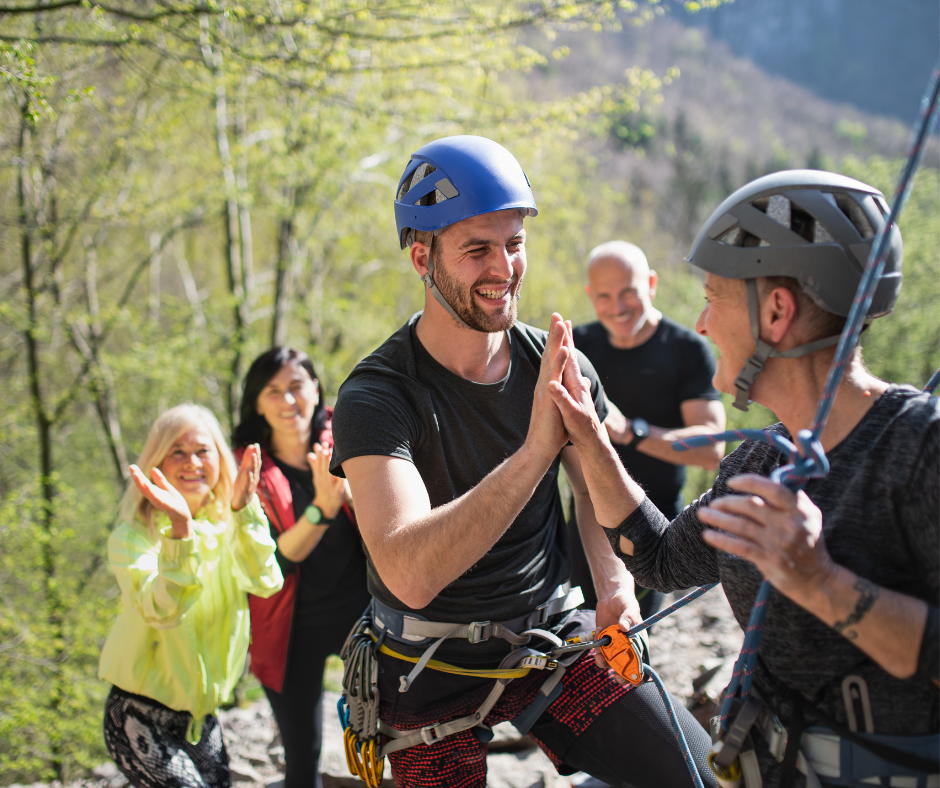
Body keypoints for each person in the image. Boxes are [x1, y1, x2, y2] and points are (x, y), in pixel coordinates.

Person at [329, 135, 715, 788]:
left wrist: (613, 582)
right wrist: (538, 448)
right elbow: (408, 570)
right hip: (424, 664)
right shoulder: (376, 397)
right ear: (422, 257)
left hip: (548, 638)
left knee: (699, 777)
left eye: (514, 243)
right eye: (477, 249)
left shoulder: (558, 367)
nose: (503, 267)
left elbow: (592, 490)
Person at [545, 170, 939, 787]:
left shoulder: (919, 449)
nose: (701, 323)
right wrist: (591, 436)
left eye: (713, 296)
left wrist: (823, 583)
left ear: (776, 312)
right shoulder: (756, 464)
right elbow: (656, 561)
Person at [99, 404, 283, 788]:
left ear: (220, 457)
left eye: (203, 451)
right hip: (139, 714)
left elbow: (266, 580)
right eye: (177, 452)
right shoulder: (132, 538)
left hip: (202, 718)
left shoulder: (231, 524)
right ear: (157, 463)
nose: (192, 463)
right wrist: (180, 533)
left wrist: (245, 511)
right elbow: (162, 611)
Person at [232, 347, 370, 788]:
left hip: (363, 612)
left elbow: (397, 526)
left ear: (315, 390)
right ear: (256, 401)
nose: (288, 400)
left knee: (395, 736)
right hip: (289, 626)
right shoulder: (245, 469)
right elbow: (269, 561)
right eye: (273, 391)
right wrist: (323, 509)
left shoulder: (355, 437)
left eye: (296, 386)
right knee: (302, 754)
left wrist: (355, 497)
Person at [569, 240, 725, 615]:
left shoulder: (686, 349)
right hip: (585, 519)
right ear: (591, 296)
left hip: (654, 528)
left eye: (628, 293)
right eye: (604, 296)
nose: (617, 308)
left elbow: (711, 449)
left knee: (631, 648)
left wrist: (632, 432)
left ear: (651, 284)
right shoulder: (579, 346)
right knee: (576, 643)